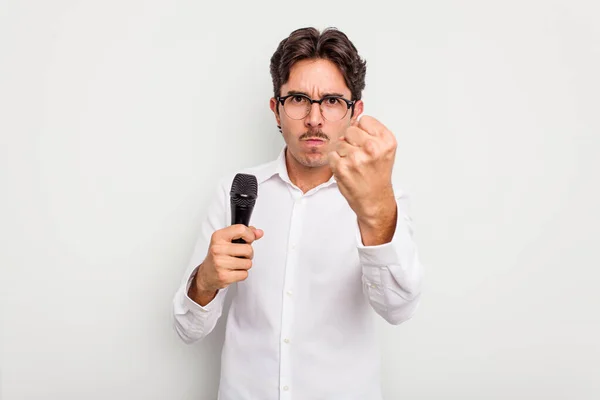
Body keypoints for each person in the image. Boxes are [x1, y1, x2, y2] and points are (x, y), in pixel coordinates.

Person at [172, 26, 423, 400]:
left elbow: (398, 309)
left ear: (356, 112)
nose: (315, 119)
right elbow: (188, 329)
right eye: (298, 99)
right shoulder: (235, 191)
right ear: (276, 108)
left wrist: (376, 213)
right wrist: (206, 281)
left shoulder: (385, 201)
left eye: (333, 101)